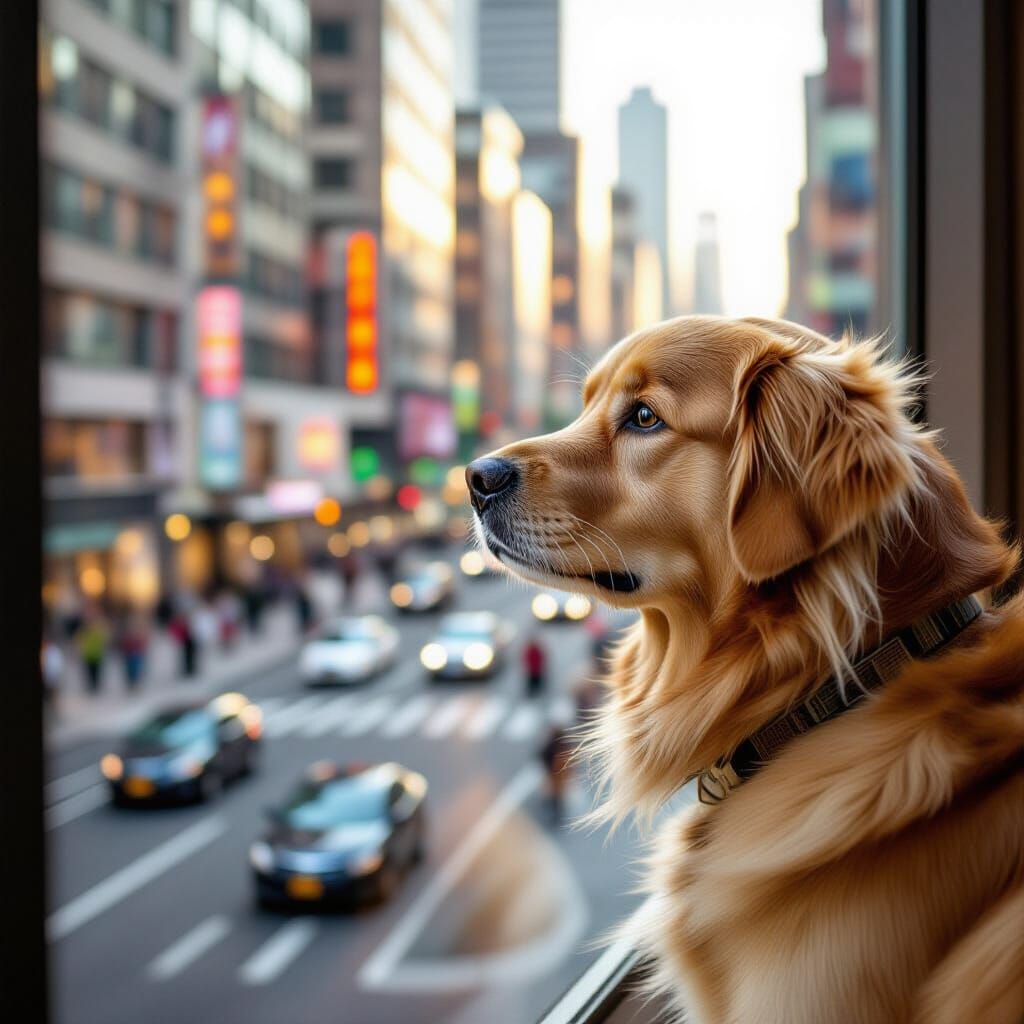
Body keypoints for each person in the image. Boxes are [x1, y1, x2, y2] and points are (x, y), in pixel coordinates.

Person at [538, 725, 575, 824]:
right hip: (560, 776)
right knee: (557, 795)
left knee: (554, 794)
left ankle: (553, 810)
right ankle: (555, 812)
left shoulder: (552, 746)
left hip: (554, 774)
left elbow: (542, 756)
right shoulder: (565, 748)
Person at [76, 613, 108, 695]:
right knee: (90, 671)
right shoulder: (84, 631)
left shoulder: (98, 630)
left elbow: (104, 640)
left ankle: (95, 685)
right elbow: (79, 641)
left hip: (97, 654)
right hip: (88, 655)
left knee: (96, 671)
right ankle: (92, 685)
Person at [117, 614, 148, 691]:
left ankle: (135, 683)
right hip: (129, 655)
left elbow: (142, 643)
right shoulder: (126, 635)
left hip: (136, 655)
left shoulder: (138, 634)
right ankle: (131, 683)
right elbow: (123, 645)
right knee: (129, 670)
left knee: (136, 670)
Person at [169, 609, 197, 678]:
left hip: (189, 642)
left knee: (190, 656)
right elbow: (175, 633)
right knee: (183, 657)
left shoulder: (186, 622)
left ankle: (190, 669)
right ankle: (187, 670)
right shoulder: (176, 623)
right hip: (183, 642)